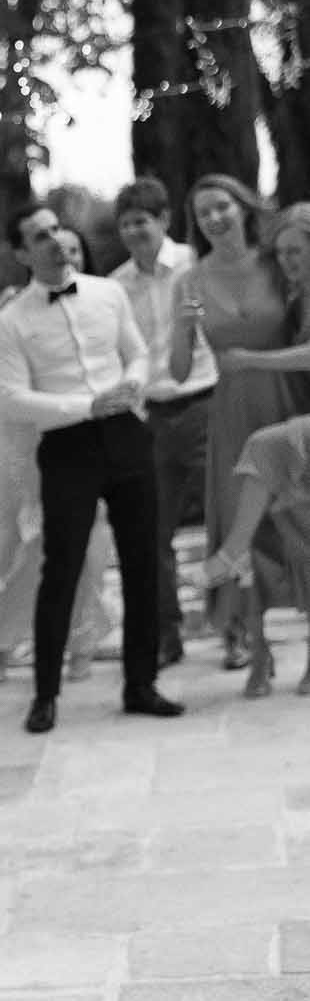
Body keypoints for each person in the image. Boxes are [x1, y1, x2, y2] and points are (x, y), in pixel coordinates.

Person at [0, 204, 184, 734]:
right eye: (39, 236)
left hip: (125, 432)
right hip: (66, 445)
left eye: (56, 229)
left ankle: (140, 685)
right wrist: (84, 407)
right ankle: (46, 694)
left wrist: (133, 383)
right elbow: (12, 399)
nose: (55, 240)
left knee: (142, 560)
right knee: (62, 568)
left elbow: (138, 353)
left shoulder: (108, 293)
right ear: (21, 253)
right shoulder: (13, 321)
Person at [170, 174, 304, 697]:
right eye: (204, 213)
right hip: (231, 413)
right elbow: (179, 372)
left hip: (288, 401)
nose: (215, 218)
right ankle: (257, 652)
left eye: (222, 206)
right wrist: (183, 326)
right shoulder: (191, 281)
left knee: (298, 527)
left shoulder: (280, 263)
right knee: (241, 533)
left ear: (242, 208)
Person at [0, 227, 112, 683]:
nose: (62, 252)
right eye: (51, 244)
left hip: (84, 430)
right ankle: (1, 640)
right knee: (18, 540)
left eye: (72, 248)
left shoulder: (100, 301)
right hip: (19, 434)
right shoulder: (14, 303)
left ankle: (83, 641)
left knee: (90, 539)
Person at [200, 204, 310, 691]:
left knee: (265, 448)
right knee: (282, 523)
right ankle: (258, 650)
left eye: (296, 251)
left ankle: (229, 553)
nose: (287, 260)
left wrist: (251, 360)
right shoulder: (298, 296)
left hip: (289, 415)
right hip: (247, 411)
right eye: (282, 252)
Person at [109, 177, 217, 669]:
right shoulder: (114, 287)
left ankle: (234, 628)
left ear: (165, 220)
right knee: (153, 534)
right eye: (126, 224)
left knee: (224, 520)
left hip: (204, 405)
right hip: (148, 417)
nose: (134, 231)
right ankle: (166, 635)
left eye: (142, 221)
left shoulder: (196, 267)